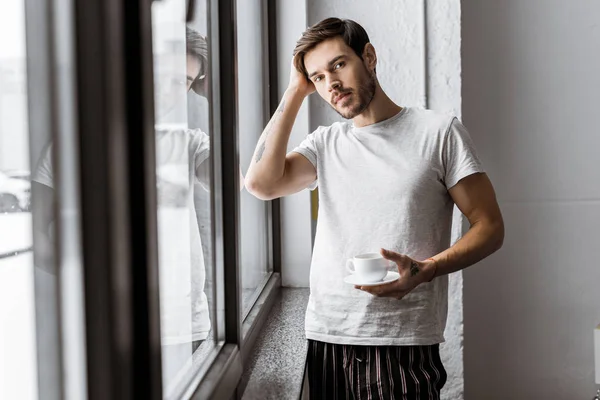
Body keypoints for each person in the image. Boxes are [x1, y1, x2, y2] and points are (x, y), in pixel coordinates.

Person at [245, 17, 504, 399]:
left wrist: (427, 269)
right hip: (327, 337)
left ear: (368, 57)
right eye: (317, 78)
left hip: (402, 342)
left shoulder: (438, 132)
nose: (330, 84)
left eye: (338, 65)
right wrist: (294, 91)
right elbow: (260, 184)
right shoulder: (324, 144)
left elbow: (490, 226)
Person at [32, 27, 217, 358]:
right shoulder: (72, 144)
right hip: (103, 327)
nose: (167, 89)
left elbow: (236, 183)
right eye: (162, 73)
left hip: (180, 328)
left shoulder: (188, 142)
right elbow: (38, 235)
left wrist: (217, 97)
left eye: (183, 81)